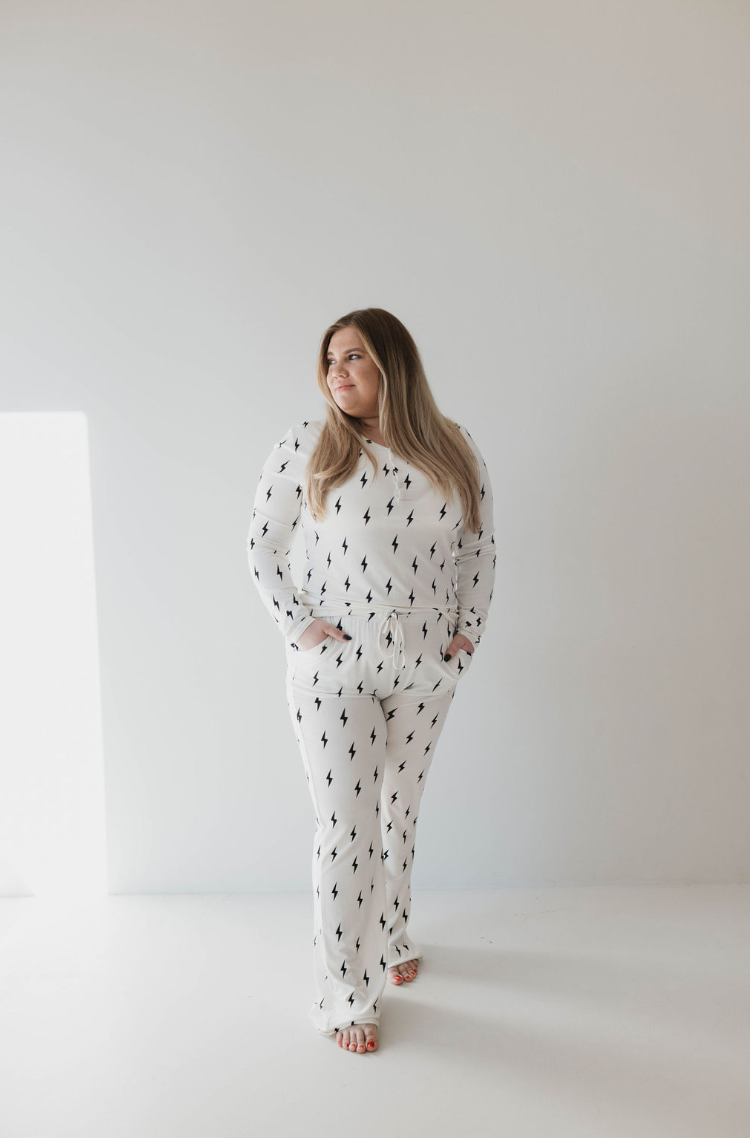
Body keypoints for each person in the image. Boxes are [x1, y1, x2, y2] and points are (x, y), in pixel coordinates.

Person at [246, 307, 495, 1055]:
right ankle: (345, 995)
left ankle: (389, 933)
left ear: (393, 362)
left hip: (425, 663)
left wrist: (463, 638)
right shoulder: (308, 445)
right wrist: (301, 624)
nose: (338, 373)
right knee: (346, 828)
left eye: (353, 357)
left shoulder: (454, 448)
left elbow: (476, 555)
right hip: (335, 669)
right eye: (330, 361)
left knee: (398, 813)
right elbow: (263, 547)